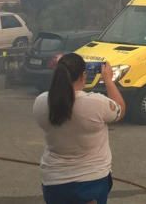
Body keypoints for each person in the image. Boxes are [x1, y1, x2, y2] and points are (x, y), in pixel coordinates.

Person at [33, 53, 126, 204]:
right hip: (92, 181)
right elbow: (120, 109)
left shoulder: (40, 103)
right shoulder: (96, 103)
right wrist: (108, 80)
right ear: (83, 76)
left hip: (54, 182)